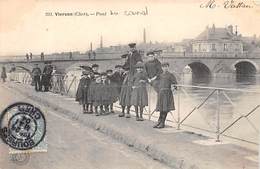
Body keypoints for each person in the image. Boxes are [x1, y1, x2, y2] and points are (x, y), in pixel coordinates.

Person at [154, 62, 177, 129]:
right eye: (164, 67)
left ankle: (163, 123)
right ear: (162, 68)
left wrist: (174, 88)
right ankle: (159, 122)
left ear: (168, 67)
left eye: (166, 66)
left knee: (165, 108)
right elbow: (156, 83)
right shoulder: (160, 75)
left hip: (167, 93)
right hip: (161, 93)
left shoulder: (171, 75)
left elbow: (175, 83)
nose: (165, 68)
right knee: (161, 108)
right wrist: (157, 90)